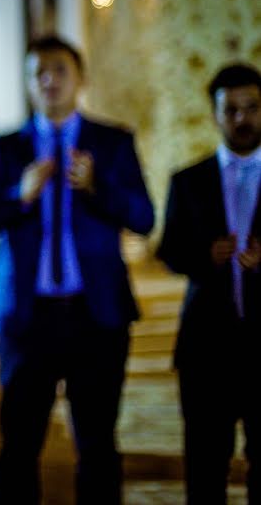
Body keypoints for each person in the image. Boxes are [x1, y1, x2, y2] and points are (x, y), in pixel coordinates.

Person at [0, 36, 154, 505]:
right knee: (19, 446)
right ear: (29, 83)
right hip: (28, 319)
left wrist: (97, 187)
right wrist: (18, 196)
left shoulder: (112, 142)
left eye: (59, 70)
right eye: (38, 72)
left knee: (97, 445)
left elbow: (144, 218)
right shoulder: (5, 149)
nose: (49, 79)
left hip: (97, 316)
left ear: (81, 79)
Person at [157, 62, 261, 505]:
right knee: (204, 467)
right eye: (231, 109)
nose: (242, 119)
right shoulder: (188, 180)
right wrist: (204, 256)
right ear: (215, 115)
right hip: (206, 349)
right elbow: (168, 250)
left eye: (252, 108)